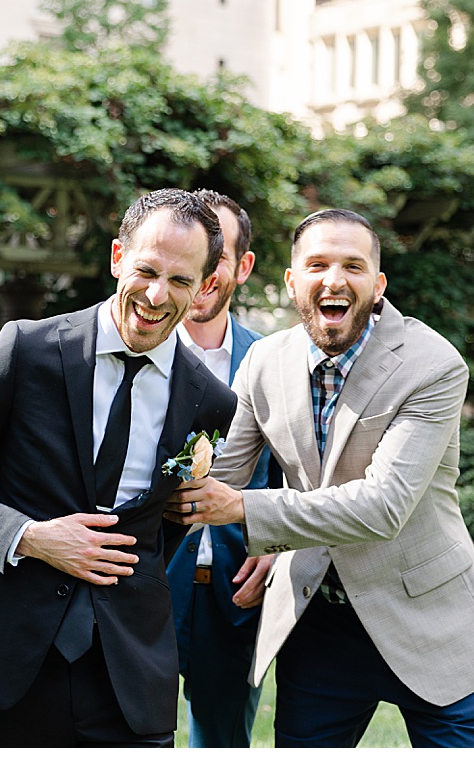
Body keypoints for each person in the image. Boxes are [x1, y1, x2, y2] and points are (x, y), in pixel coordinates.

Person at [166, 208, 474, 747]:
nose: (334, 279)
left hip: (428, 619)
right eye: (317, 263)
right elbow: (222, 475)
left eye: (353, 265)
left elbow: (383, 506)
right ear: (291, 280)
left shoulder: (434, 364)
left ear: (378, 283)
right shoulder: (264, 361)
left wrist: (245, 509)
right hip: (317, 624)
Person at [0, 188, 237, 747]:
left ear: (206, 286)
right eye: (146, 270)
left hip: (132, 671)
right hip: (13, 661)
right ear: (117, 258)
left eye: (180, 281)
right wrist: (29, 536)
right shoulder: (26, 350)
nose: (157, 295)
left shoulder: (212, 401)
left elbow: (169, 523)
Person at [165, 188, 280, 747]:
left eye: (218, 256)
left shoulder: (277, 363)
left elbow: (304, 475)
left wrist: (283, 549)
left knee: (225, 741)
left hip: (240, 589)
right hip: (144, 584)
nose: (202, 271)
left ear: (243, 266)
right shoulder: (132, 355)